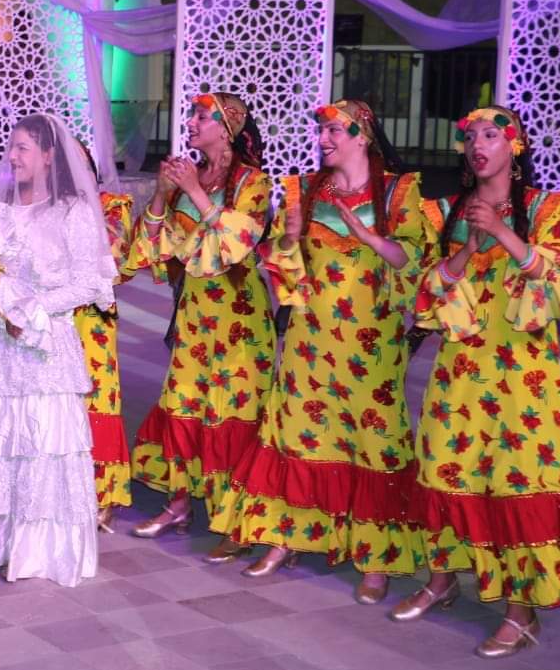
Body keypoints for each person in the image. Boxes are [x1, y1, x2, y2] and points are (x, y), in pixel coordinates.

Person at [396, 106, 560, 657]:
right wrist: (466, 250)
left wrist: (503, 232)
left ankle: (521, 611)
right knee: (444, 467)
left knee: (515, 480)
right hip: (460, 370)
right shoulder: (444, 213)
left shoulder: (543, 210)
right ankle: (441, 580)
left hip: (523, 376)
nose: (478, 145)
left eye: (490, 135)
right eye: (470, 137)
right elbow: (425, 293)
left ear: (515, 146)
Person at [220, 100, 429, 604]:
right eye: (322, 131)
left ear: (363, 136)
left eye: (335, 130)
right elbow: (284, 269)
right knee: (298, 433)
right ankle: (285, 536)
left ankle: (375, 557)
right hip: (309, 341)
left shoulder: (398, 191)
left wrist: (369, 237)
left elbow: (413, 263)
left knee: (372, 440)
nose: (323, 140)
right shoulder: (304, 190)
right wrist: (290, 239)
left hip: (370, 343)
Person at [0, 113, 116, 587]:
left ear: (48, 155)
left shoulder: (72, 212)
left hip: (43, 345)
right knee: (0, 442)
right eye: (12, 146)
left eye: (22, 147)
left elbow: (88, 282)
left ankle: (40, 550)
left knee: (43, 443)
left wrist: (34, 310)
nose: (13, 156)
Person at [126, 93, 275, 561]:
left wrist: (193, 190)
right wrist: (160, 194)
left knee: (231, 414)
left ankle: (236, 519)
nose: (190, 122)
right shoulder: (189, 176)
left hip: (239, 319)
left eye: (201, 117)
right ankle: (178, 504)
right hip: (193, 314)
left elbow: (238, 242)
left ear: (228, 130)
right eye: (191, 115)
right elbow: (153, 246)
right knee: (183, 403)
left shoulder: (252, 181)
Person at [73, 143, 135, 533]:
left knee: (95, 397)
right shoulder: (38, 208)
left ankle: (101, 492)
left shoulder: (112, 206)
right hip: (50, 319)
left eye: (78, 162)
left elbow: (113, 262)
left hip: (92, 319)